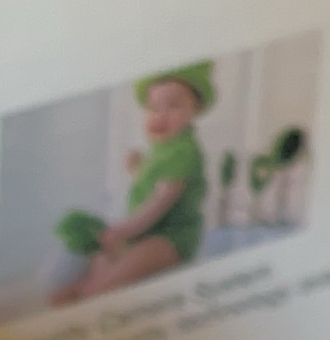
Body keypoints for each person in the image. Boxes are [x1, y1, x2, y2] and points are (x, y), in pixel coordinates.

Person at [53, 63, 213, 303]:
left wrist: (125, 229)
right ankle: (87, 285)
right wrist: (139, 168)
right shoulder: (164, 147)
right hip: (146, 230)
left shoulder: (184, 150)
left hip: (172, 236)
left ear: (195, 109)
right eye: (153, 107)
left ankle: (94, 291)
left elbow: (160, 201)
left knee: (135, 261)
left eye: (173, 105)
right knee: (103, 257)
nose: (161, 114)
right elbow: (155, 181)